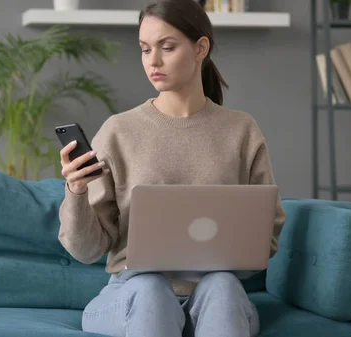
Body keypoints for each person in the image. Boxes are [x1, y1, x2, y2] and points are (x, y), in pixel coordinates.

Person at [58, 0, 286, 336]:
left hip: (214, 295)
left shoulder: (241, 130)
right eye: (145, 49)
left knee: (222, 285)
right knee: (151, 289)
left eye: (167, 47)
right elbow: (86, 250)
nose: (153, 61)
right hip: (132, 291)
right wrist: (76, 191)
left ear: (200, 48)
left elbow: (266, 238)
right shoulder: (119, 131)